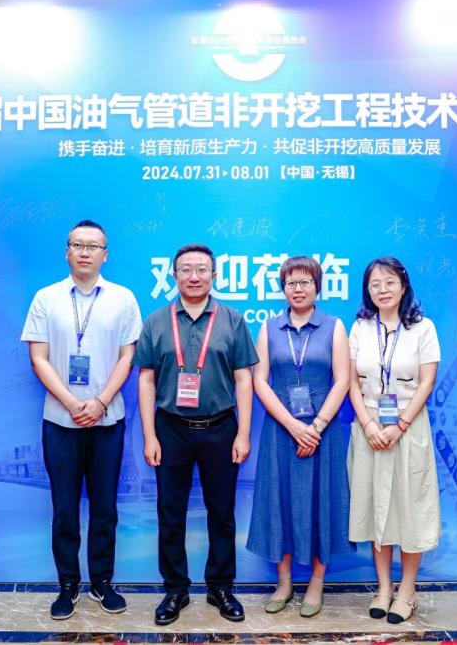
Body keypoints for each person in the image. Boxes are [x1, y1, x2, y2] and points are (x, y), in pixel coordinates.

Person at [20, 220, 142, 619]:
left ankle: (101, 582)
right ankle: (68, 585)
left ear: (106, 255)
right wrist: (73, 402)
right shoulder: (46, 298)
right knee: (64, 508)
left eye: (93, 246)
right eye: (77, 244)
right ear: (67, 251)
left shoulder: (123, 298)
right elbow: (38, 358)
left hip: (108, 421)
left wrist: (100, 402)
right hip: (60, 420)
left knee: (105, 507)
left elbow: (127, 357)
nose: (85, 252)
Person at [133, 243, 259, 626]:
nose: (194, 276)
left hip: (221, 428)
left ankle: (221, 587)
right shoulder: (157, 321)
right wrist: (150, 436)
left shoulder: (232, 319)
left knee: (222, 513)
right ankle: (175, 589)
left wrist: (243, 434)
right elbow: (146, 379)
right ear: (174, 275)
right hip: (170, 429)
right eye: (186, 269)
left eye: (202, 269)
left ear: (214, 275)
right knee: (170, 512)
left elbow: (244, 379)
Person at [246, 256, 353, 618]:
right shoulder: (269, 328)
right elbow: (260, 381)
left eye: (305, 282)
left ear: (317, 286)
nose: (298, 289)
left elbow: (343, 380)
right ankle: (284, 582)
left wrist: (316, 427)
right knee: (279, 502)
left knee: (322, 500)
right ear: (283, 288)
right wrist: (293, 426)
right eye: (291, 282)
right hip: (281, 432)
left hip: (324, 432)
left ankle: (317, 584)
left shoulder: (334, 326)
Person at [347, 256, 441, 624]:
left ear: (403, 287)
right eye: (375, 284)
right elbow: (351, 381)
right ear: (367, 291)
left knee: (410, 509)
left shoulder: (423, 328)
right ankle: (384, 588)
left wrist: (399, 425)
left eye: (389, 282)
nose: (382, 290)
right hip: (369, 427)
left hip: (409, 426)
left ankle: (407, 590)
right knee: (376, 510)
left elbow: (427, 382)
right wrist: (369, 424)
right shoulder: (360, 327)